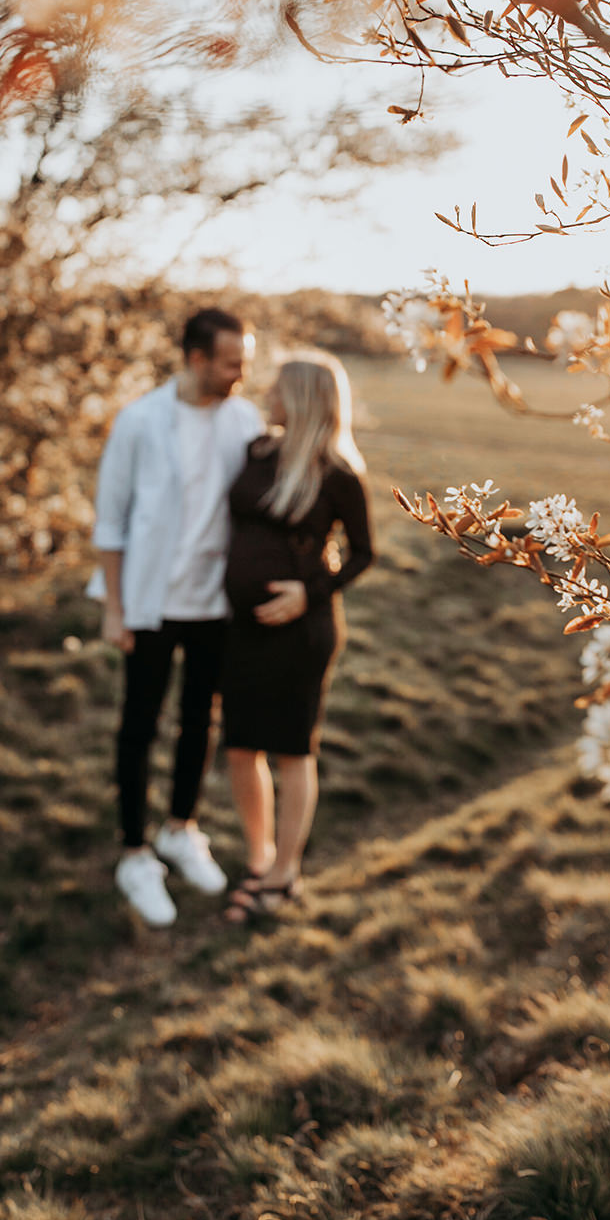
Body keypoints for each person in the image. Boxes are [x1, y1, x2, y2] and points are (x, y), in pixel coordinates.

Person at [90, 308, 264, 928]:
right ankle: (134, 853)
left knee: (201, 721)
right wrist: (114, 607)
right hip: (149, 604)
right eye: (230, 363)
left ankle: (180, 830)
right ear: (195, 358)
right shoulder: (139, 422)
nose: (241, 374)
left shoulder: (244, 420)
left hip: (215, 604)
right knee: (139, 725)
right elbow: (110, 523)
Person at [222, 352, 374, 922]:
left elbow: (365, 554)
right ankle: (260, 859)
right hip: (241, 628)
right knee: (240, 747)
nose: (267, 392)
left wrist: (308, 594)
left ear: (304, 396)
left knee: (291, 750)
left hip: (301, 635)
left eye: (278, 386)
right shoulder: (258, 451)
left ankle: (285, 873)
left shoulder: (337, 472)